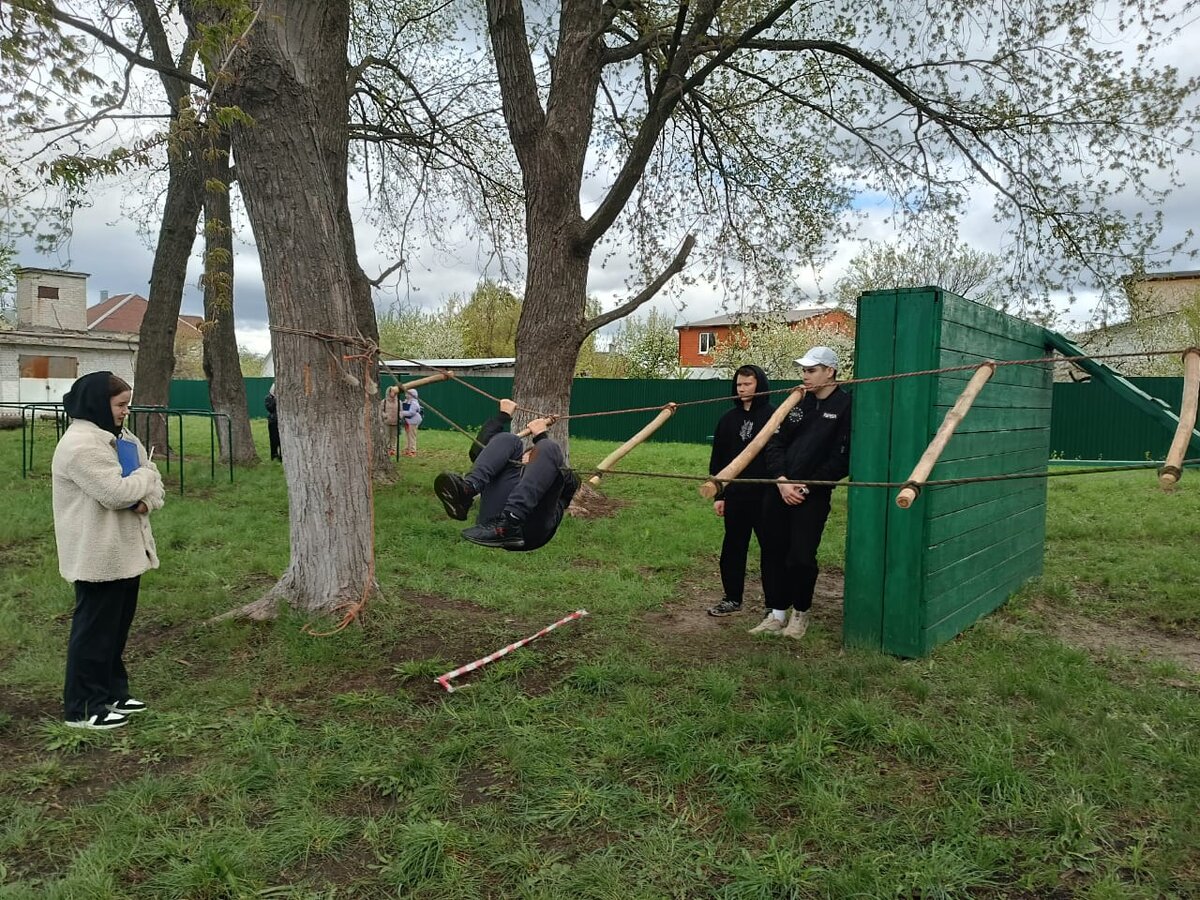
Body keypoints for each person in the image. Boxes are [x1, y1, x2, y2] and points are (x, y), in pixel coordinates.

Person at [52, 371, 166, 730]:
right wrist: (145, 479)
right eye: (120, 405)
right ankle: (83, 707)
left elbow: (151, 479)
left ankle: (112, 692)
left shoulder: (118, 437)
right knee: (94, 630)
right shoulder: (81, 446)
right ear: (98, 403)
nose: (125, 412)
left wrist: (147, 498)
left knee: (115, 629)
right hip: (97, 553)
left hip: (124, 550)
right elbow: (117, 493)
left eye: (127, 405)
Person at [750, 346, 851, 640]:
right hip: (779, 490)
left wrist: (806, 486)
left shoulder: (846, 406)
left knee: (801, 557)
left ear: (829, 371)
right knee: (773, 552)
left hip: (813, 494)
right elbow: (774, 443)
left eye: (811, 370)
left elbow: (841, 458)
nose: (805, 376)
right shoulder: (797, 403)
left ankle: (800, 615)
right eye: (804, 371)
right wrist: (781, 480)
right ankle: (777, 613)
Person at [433, 398, 579, 551]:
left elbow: (570, 482)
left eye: (535, 458)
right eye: (527, 457)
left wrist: (541, 438)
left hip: (530, 532)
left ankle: (512, 519)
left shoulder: (558, 476)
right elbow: (479, 452)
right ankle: (467, 491)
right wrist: (502, 417)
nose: (528, 461)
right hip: (492, 524)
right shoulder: (511, 470)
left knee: (548, 446)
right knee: (509, 439)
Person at [707, 365, 777, 617]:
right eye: (739, 384)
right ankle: (732, 598)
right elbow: (719, 460)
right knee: (733, 548)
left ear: (760, 385)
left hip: (766, 495)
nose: (743, 388)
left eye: (748, 384)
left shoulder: (774, 416)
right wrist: (720, 495)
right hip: (736, 495)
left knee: (771, 548)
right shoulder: (728, 419)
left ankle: (774, 603)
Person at [379, 385, 401, 457]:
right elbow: (381, 410)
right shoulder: (384, 401)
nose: (393, 393)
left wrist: (400, 415)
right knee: (387, 436)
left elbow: (401, 411)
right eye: (391, 391)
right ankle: (387, 449)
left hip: (395, 421)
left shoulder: (399, 401)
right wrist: (384, 415)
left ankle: (393, 449)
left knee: (394, 436)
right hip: (387, 421)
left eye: (394, 392)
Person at [401, 388, 423, 457]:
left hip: (413, 421)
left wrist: (402, 413)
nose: (406, 395)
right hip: (407, 421)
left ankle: (413, 451)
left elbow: (411, 412)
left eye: (408, 394)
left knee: (412, 436)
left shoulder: (414, 403)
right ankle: (407, 449)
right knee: (407, 436)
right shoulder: (407, 401)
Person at [264, 383, 281, 461]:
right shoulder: (268, 398)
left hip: (281, 421)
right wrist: (275, 400)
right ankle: (274, 455)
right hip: (273, 421)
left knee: (281, 440)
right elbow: (270, 408)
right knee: (273, 439)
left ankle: (282, 456)